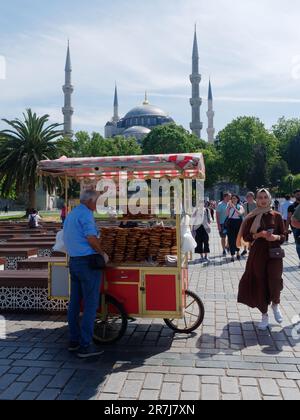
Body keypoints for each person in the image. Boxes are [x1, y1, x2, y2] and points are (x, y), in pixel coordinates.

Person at [63, 190, 108, 359]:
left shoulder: (72, 214)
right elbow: (91, 237)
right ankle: (86, 345)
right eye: (97, 200)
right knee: (90, 304)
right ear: (89, 201)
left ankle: (74, 341)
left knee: (74, 303)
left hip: (74, 261)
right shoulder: (86, 214)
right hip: (87, 263)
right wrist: (102, 253)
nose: (98, 203)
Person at [237, 189, 286, 331]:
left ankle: (275, 304)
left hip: (274, 252)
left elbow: (284, 236)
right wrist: (258, 235)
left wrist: (275, 237)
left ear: (269, 199)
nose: (263, 200)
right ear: (256, 199)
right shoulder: (251, 216)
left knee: (275, 279)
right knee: (260, 282)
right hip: (258, 254)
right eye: (260, 197)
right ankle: (264, 314)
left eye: (265, 197)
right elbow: (246, 237)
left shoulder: (276, 216)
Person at [226, 195, 244, 262]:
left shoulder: (240, 206)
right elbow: (227, 214)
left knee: (237, 238)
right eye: (232, 198)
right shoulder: (229, 206)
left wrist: (234, 207)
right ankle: (232, 255)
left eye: (235, 198)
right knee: (231, 239)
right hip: (231, 222)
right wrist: (229, 207)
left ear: (237, 199)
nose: (234, 199)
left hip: (238, 223)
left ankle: (238, 252)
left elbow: (240, 213)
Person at [241, 192, 257, 256]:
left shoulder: (256, 204)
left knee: (253, 236)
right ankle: (245, 249)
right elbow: (242, 213)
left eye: (249, 197)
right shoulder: (245, 204)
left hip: (255, 222)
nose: (248, 198)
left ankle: (251, 248)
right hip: (246, 222)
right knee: (245, 236)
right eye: (247, 197)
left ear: (253, 197)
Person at [287, 190, 300, 266]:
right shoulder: (292, 206)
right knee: (298, 245)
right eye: (297, 194)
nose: (299, 195)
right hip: (295, 229)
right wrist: (286, 228)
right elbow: (289, 218)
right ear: (295, 196)